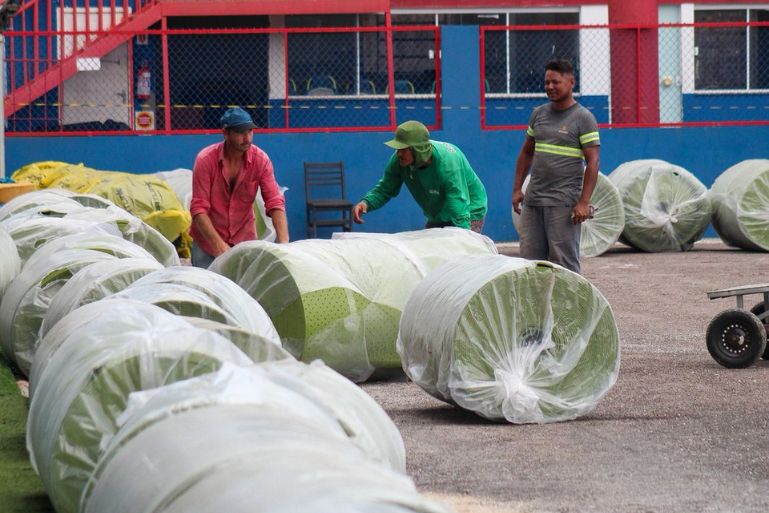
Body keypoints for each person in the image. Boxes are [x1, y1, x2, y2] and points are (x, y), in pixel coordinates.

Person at [512, 59, 600, 274]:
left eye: (556, 82)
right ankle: (537, 307)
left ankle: (571, 307)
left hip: (563, 203)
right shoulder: (538, 114)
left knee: (564, 264)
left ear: (571, 83)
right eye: (546, 82)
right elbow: (526, 152)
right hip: (533, 201)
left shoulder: (583, 118)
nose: (550, 87)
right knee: (531, 264)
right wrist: (517, 189)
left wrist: (584, 202)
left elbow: (593, 162)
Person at [189, 107, 289, 268]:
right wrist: (220, 247)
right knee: (207, 290)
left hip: (244, 241)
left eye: (250, 131)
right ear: (226, 133)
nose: (247, 138)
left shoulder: (260, 160)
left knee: (244, 291)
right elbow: (199, 209)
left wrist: (284, 243)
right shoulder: (205, 160)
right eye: (240, 132)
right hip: (208, 243)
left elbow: (275, 202)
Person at [352, 120, 487, 233]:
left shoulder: (448, 162)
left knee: (460, 256)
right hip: (438, 213)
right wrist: (366, 203)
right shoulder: (399, 161)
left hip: (469, 210)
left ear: (418, 149)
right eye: (398, 148)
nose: (399, 153)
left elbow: (458, 203)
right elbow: (385, 189)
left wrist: (465, 241)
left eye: (403, 149)